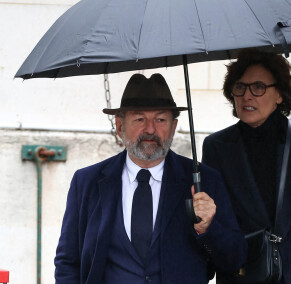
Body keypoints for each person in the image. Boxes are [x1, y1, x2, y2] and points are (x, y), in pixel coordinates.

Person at [54, 73, 246, 284]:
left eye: (160, 119)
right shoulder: (87, 182)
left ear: (173, 127)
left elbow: (234, 259)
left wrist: (209, 228)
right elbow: (68, 262)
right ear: (120, 126)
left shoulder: (204, 181)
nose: (150, 129)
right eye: (139, 119)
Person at [202, 48, 291, 284]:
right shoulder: (217, 146)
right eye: (240, 87)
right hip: (244, 273)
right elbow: (217, 221)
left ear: (279, 94)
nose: (247, 96)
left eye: (258, 87)